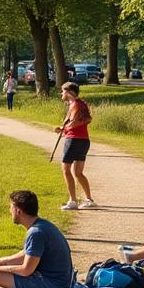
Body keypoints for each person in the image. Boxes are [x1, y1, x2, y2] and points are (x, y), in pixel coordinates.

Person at [56, 81, 96, 210]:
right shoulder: (81, 103)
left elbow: (74, 122)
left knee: (66, 169)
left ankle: (72, 201)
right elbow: (88, 119)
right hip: (84, 140)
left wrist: (64, 128)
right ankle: (89, 200)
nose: (61, 94)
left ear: (68, 92)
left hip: (73, 140)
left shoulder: (74, 104)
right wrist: (65, 129)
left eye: (63, 91)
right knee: (78, 172)